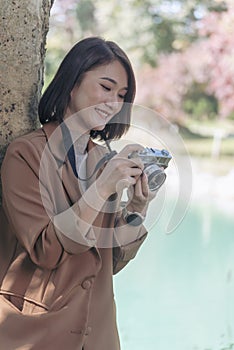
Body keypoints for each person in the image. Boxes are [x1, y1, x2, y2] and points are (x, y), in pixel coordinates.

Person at [0, 37, 156, 350]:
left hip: (98, 336)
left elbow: (108, 263)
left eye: (122, 95)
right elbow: (47, 251)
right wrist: (101, 188)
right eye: (106, 87)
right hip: (35, 335)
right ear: (72, 84)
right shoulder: (26, 155)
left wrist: (137, 206)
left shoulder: (104, 160)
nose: (114, 101)